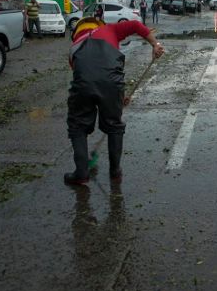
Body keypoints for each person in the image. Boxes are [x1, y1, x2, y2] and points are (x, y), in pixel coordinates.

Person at [64, 14, 165, 186]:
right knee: (114, 125)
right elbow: (135, 25)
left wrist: (117, 96)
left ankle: (81, 173)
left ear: (77, 31)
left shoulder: (74, 47)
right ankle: (115, 172)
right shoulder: (109, 29)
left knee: (78, 126)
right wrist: (155, 44)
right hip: (111, 83)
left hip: (83, 84)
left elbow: (86, 77)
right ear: (98, 24)